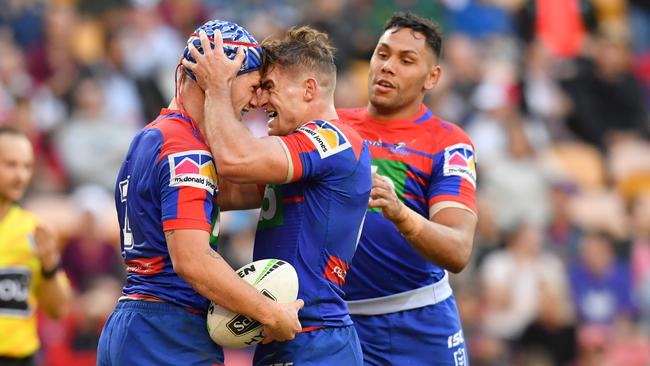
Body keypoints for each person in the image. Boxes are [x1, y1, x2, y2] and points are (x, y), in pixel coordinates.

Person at [96, 20, 303, 366]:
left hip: (133, 322)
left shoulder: (153, 136)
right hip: (167, 333)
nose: (256, 101)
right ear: (217, 79)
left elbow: (246, 191)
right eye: (253, 86)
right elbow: (192, 260)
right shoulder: (186, 151)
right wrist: (270, 313)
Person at [182, 26, 371, 365]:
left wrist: (217, 89)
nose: (261, 100)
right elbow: (220, 190)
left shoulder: (333, 140)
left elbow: (235, 161)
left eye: (269, 87)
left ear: (309, 89)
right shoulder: (294, 159)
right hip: (280, 329)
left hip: (318, 337)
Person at [337, 12, 478, 366]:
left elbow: (458, 250)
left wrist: (400, 213)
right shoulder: (332, 128)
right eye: (382, 54)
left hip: (419, 324)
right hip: (335, 323)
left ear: (432, 77)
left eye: (406, 60)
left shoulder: (447, 143)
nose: (388, 66)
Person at [0, 127, 71, 366]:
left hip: (20, 358)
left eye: (27, 166)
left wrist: (50, 266)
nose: (21, 175)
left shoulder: (36, 231)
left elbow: (59, 310)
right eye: (11, 165)